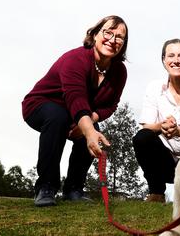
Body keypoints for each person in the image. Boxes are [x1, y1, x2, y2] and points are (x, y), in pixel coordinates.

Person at [22, 16, 128, 207]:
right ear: (95, 35)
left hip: (77, 113)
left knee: (92, 126)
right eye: (108, 32)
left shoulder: (119, 71)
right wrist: (87, 129)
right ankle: (46, 186)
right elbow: (76, 97)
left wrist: (90, 122)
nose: (112, 40)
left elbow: (110, 105)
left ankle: (73, 189)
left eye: (119, 37)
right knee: (59, 117)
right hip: (41, 104)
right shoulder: (75, 58)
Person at [133, 38, 180, 202]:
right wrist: (162, 126)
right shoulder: (155, 88)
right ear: (164, 60)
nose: (176, 60)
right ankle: (156, 192)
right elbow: (146, 127)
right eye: (171, 56)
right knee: (142, 137)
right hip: (165, 162)